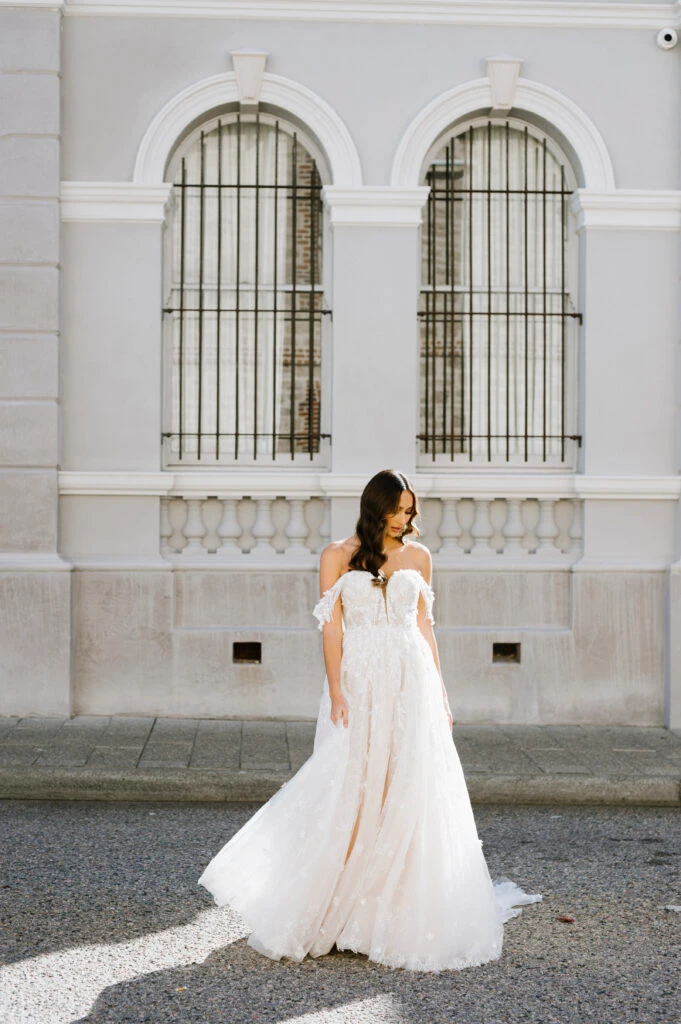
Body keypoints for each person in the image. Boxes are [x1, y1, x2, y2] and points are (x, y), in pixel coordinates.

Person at [198, 468, 542, 972]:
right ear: (374, 506)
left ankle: (392, 909)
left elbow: (426, 629)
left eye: (409, 512)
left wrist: (441, 692)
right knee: (353, 783)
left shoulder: (420, 558)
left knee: (406, 784)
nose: (403, 520)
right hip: (361, 681)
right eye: (396, 510)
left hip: (410, 681)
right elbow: (331, 632)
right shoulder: (336, 556)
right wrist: (337, 688)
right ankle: (340, 907)